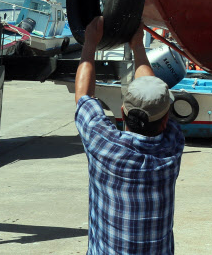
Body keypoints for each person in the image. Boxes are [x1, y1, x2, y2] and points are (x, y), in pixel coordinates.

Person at [74, 16, 185, 254]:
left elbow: (83, 96)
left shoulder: (104, 145)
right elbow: (149, 86)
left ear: (122, 112)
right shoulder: (173, 145)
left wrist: (90, 44)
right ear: (165, 119)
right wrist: (137, 46)